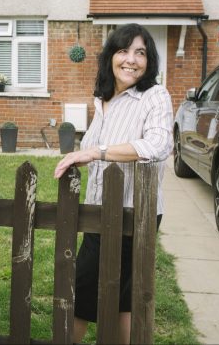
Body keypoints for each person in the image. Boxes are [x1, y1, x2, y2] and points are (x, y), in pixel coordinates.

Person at [54, 23, 173, 344]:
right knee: (121, 297)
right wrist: (82, 156)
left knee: (82, 292)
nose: (131, 60)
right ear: (110, 56)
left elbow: (158, 145)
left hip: (133, 214)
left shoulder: (154, 96)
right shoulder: (102, 100)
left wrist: (97, 152)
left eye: (141, 53)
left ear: (150, 61)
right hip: (98, 211)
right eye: (123, 51)